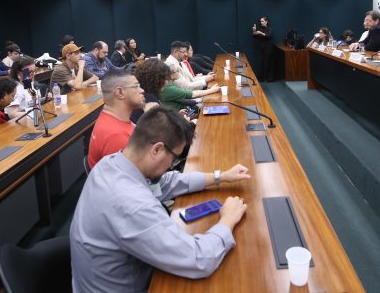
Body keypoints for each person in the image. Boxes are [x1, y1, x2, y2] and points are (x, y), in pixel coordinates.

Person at [70, 106, 250, 293]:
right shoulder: (132, 205)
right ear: (157, 149)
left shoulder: (111, 164)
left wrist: (220, 176)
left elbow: (166, 182)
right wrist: (227, 219)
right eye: (173, 159)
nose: (172, 166)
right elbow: (200, 259)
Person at [87, 69, 146, 169]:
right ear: (120, 92)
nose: (142, 90)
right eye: (136, 86)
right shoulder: (116, 136)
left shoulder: (111, 117)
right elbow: (133, 181)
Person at [252, 16, 275, 81]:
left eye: (262, 21)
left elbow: (269, 36)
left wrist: (260, 33)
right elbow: (255, 35)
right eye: (260, 21)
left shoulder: (270, 28)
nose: (261, 22)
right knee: (262, 62)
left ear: (266, 21)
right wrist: (254, 31)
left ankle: (269, 78)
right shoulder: (260, 28)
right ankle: (262, 77)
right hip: (262, 47)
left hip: (269, 47)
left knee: (268, 62)